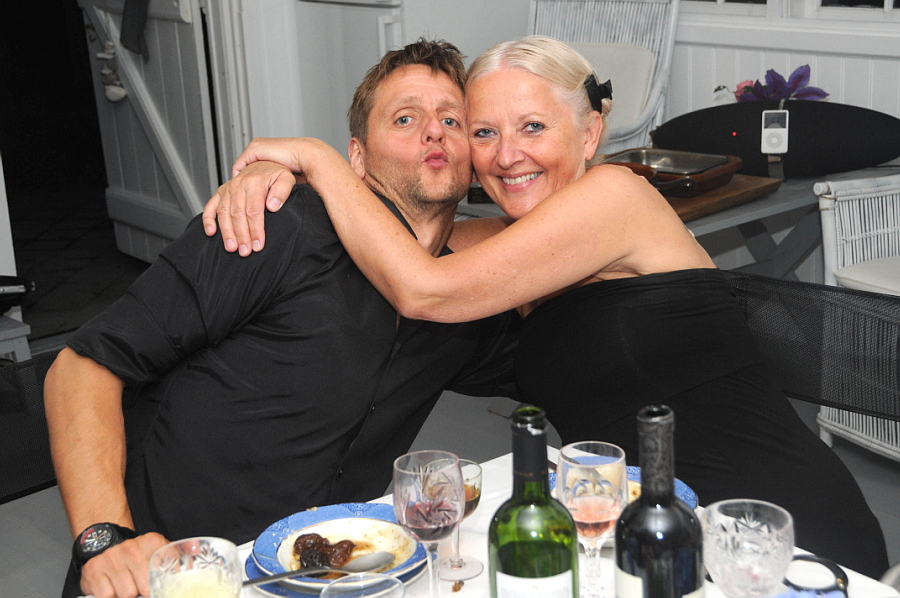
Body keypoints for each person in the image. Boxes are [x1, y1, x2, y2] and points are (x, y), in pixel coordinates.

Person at [205, 36, 890, 578]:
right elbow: (394, 233)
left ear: (589, 134)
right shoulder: (501, 242)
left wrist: (317, 160)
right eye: (483, 133)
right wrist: (278, 182)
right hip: (648, 538)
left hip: (770, 531)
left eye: (533, 126)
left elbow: (424, 288)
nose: (508, 156)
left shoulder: (617, 197)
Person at [44, 39, 521, 598]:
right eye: (405, 118)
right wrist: (105, 540)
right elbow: (81, 368)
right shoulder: (274, 224)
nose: (434, 131)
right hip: (164, 576)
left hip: (324, 580)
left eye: (452, 120)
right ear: (357, 158)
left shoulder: (462, 299)